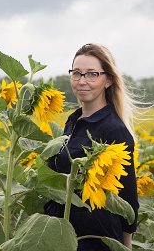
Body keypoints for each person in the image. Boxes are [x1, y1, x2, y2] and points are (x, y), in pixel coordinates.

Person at [45, 43, 139, 250]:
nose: (82, 81)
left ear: (108, 80)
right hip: (61, 233)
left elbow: (127, 194)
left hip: (95, 237)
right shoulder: (73, 120)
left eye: (92, 74)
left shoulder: (114, 129)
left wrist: (126, 245)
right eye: (76, 73)